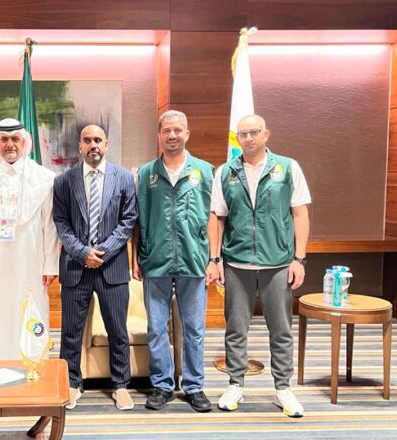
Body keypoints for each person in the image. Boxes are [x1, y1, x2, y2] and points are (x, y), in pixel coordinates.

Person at [212, 114, 311, 418]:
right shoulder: (225, 172)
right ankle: (235, 384)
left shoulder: (288, 168)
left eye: (254, 132)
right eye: (243, 134)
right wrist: (215, 259)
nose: (249, 138)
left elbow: (300, 214)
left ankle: (283, 388)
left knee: (281, 329)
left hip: (277, 263)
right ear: (237, 138)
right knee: (235, 329)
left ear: (266, 134)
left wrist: (299, 259)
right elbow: (217, 217)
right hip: (236, 262)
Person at [132, 110, 218, 412]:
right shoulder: (146, 174)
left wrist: (214, 259)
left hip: (194, 261)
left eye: (178, 130)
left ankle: (194, 386)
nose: (172, 135)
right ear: (159, 135)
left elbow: (213, 217)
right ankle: (162, 385)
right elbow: (137, 220)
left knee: (194, 329)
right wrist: (136, 257)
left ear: (187, 134)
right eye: (167, 130)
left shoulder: (205, 172)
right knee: (156, 328)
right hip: (155, 261)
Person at [53, 125, 137, 411]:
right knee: (71, 331)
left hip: (112, 267)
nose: (93, 145)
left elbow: (128, 220)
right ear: (80, 146)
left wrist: (103, 251)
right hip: (76, 267)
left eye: (98, 140)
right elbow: (61, 223)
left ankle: (121, 385)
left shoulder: (123, 178)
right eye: (87, 140)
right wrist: (82, 253)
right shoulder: (64, 181)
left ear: (106, 144)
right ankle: (72, 382)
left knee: (117, 329)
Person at [0, 118, 59, 359]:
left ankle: (31, 363)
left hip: (31, 261)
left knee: (29, 309)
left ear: (24, 142)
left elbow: (50, 226)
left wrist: (50, 266)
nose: (10, 144)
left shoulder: (43, 178)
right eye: (4, 139)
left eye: (15, 139)